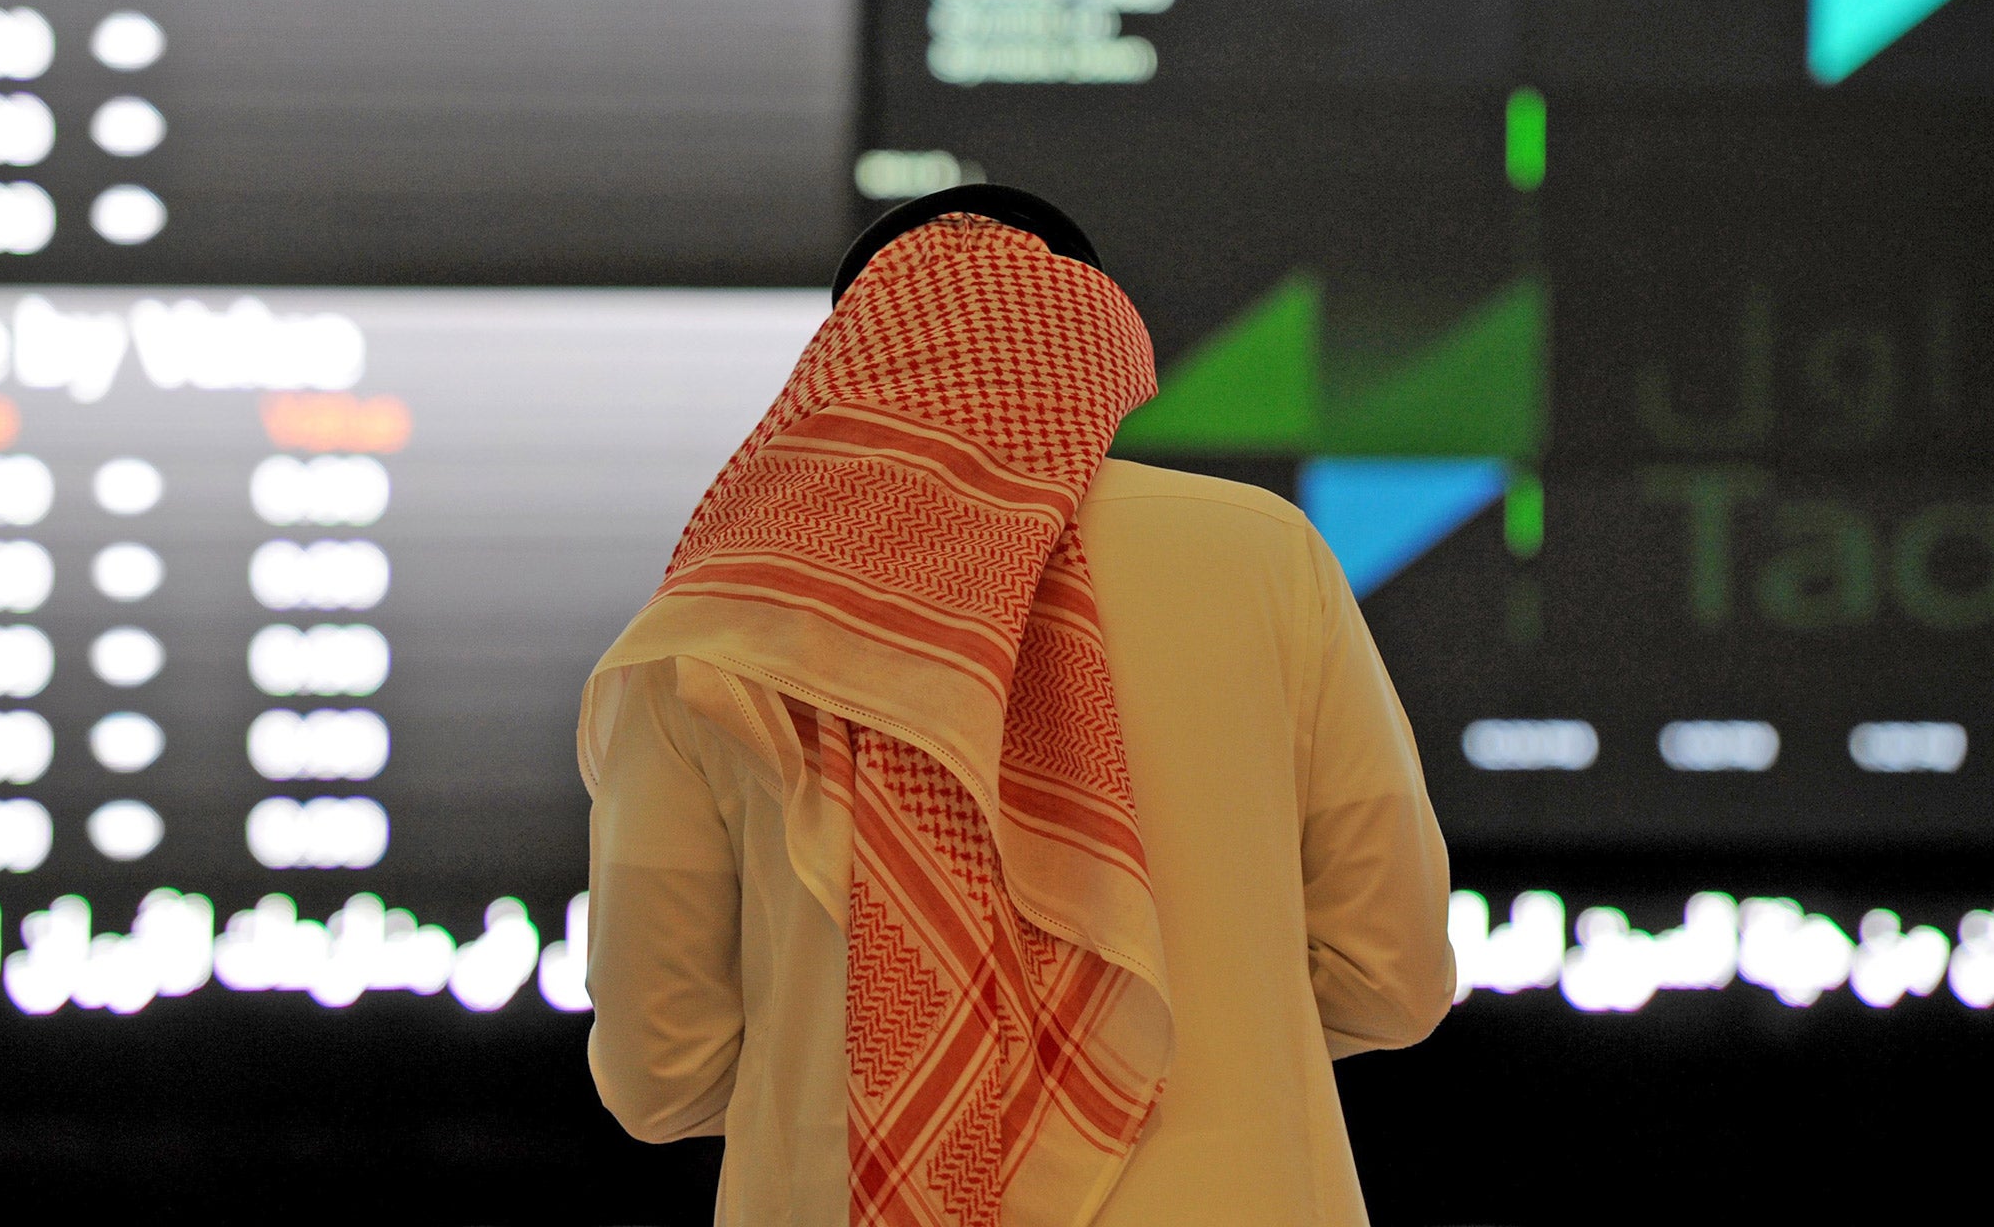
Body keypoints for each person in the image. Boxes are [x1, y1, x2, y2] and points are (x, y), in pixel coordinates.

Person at [580, 187, 1454, 1226]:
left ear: (849, 366)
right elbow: (1393, 977)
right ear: (1090, 352)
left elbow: (659, 1073)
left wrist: (889, 1083)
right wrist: (1175, 1043)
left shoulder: (715, 623)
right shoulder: (1265, 557)